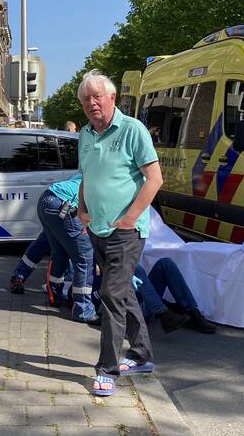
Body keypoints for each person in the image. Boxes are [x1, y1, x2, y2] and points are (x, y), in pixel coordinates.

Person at [77, 70, 163, 396]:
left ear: (112, 98)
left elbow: (154, 179)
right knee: (123, 292)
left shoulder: (132, 130)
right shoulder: (85, 134)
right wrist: (82, 210)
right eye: (86, 99)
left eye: (97, 96)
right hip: (97, 227)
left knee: (111, 295)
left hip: (126, 231)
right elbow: (86, 175)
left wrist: (130, 218)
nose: (91, 103)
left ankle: (107, 369)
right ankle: (141, 354)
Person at [38, 173, 98, 323]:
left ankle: (55, 296)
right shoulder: (107, 184)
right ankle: (83, 310)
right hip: (63, 206)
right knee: (85, 257)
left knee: (60, 253)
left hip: (46, 200)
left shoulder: (86, 172)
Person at [133, 260, 216, 333]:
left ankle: (192, 313)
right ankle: (164, 314)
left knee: (165, 263)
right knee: (134, 268)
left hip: (137, 297)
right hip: (129, 308)